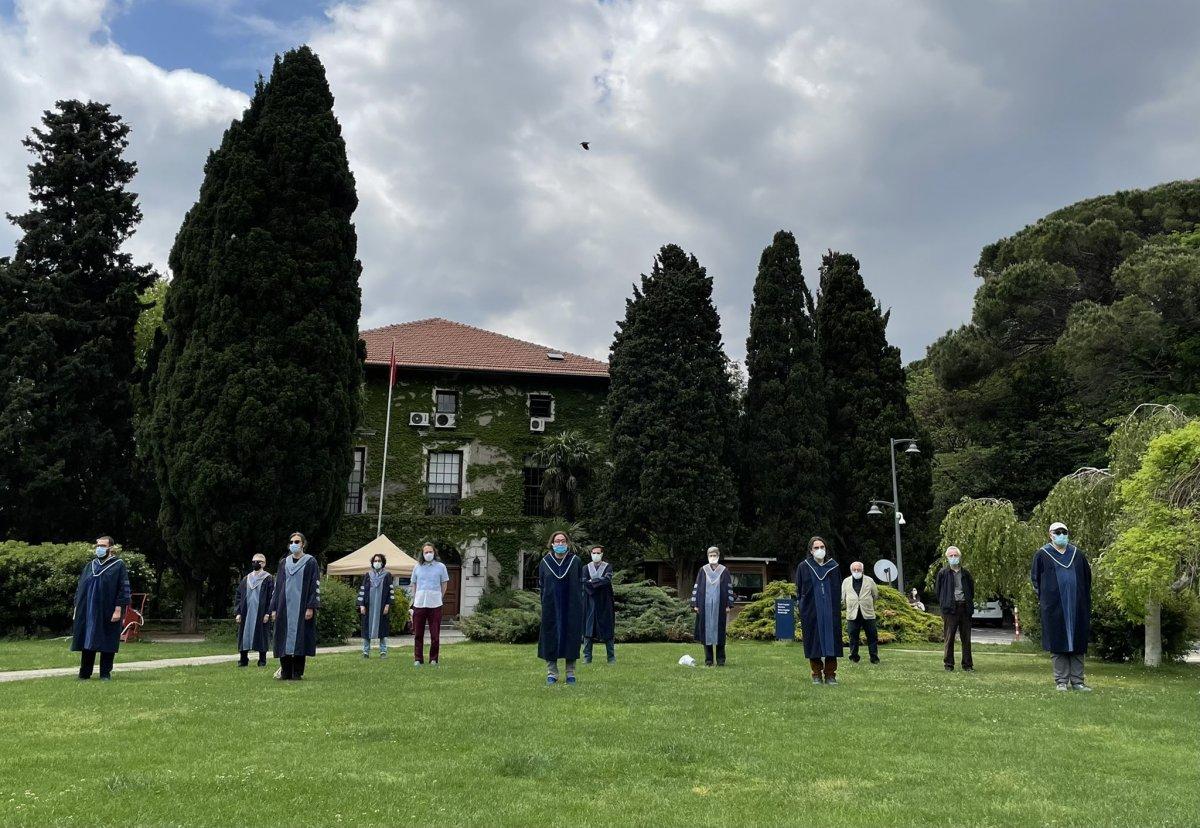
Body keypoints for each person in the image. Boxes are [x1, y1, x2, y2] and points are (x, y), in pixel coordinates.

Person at [1031, 522, 1093, 692]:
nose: (1061, 535)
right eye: (1057, 532)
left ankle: (1078, 681)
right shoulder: (1043, 554)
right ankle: (1061, 681)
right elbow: (1036, 579)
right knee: (1058, 642)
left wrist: (1082, 597)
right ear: (1050, 534)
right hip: (1054, 606)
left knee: (1078, 643)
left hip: (1077, 605)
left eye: (1064, 532)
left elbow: (1087, 578)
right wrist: (1046, 598)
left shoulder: (1077, 554)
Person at [71, 536, 131, 680]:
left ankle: (105, 673)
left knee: (108, 640)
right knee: (87, 639)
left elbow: (123, 588)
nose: (99, 548)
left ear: (111, 548)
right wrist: (77, 607)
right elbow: (81, 587)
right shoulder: (90, 565)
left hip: (108, 609)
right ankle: (85, 673)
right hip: (88, 610)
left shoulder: (118, 565)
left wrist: (118, 609)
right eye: (98, 545)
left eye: (103, 546)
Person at [271, 531, 320, 680]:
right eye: (291, 542)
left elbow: (314, 585)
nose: (294, 544)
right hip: (284, 607)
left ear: (303, 544)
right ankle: (285, 672)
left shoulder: (310, 562)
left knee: (301, 639)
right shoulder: (283, 563)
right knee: (283, 638)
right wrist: (273, 608)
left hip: (302, 608)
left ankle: (297, 672)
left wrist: (311, 606)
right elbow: (278, 586)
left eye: (297, 542)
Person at [538, 531, 584, 684]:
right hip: (551, 606)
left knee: (571, 636)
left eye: (563, 541)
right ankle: (552, 673)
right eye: (557, 541)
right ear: (552, 544)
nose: (560, 543)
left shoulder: (575, 561)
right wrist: (545, 603)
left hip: (571, 606)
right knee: (550, 636)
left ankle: (570, 673)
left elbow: (580, 583)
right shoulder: (545, 562)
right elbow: (542, 585)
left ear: (567, 543)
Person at [796, 537, 843, 684]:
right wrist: (802, 606)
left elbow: (838, 588)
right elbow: (799, 589)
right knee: (813, 641)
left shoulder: (833, 566)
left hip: (830, 610)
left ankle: (830, 675)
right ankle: (816, 674)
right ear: (811, 550)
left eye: (822, 547)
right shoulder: (804, 567)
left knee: (832, 641)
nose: (819, 550)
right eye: (816, 548)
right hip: (811, 610)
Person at [691, 546, 735, 667]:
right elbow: (697, 587)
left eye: (714, 555)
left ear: (718, 556)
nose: (712, 557)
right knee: (706, 633)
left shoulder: (724, 570)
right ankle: (709, 661)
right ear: (707, 556)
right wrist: (695, 604)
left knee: (720, 633)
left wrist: (729, 605)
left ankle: (720, 660)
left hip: (720, 606)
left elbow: (729, 588)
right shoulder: (703, 570)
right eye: (710, 555)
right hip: (704, 606)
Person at [409, 542, 450, 666]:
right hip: (419, 603)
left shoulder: (441, 567)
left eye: (430, 552)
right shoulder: (417, 567)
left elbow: (444, 584)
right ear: (422, 554)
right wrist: (415, 599)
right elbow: (414, 584)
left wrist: (439, 596)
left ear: (434, 552)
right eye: (426, 552)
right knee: (418, 633)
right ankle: (418, 659)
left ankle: (433, 659)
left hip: (435, 603)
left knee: (435, 634)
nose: (428, 554)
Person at [936, 546, 975, 672]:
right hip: (950, 609)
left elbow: (971, 590)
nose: (953, 557)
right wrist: (944, 604)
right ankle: (948, 664)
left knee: (966, 638)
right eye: (951, 556)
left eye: (955, 555)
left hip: (965, 608)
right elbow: (938, 591)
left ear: (959, 556)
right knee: (949, 637)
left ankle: (967, 665)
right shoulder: (943, 573)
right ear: (947, 558)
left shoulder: (966, 573)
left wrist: (967, 602)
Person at [235, 553, 274, 667]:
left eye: (259, 561)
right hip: (246, 612)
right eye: (254, 561)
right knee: (244, 635)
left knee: (262, 635)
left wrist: (268, 613)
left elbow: (272, 597)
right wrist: (238, 612)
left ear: (264, 564)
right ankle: (243, 660)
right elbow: (238, 595)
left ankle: (262, 660)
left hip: (261, 613)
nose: (256, 563)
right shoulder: (246, 578)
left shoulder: (268, 578)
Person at [582, 544, 616, 665]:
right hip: (590, 600)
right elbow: (584, 582)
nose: (595, 555)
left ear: (602, 554)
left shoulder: (607, 567)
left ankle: (611, 658)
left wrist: (592, 582)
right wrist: (597, 584)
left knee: (607, 627)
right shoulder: (586, 568)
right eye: (594, 553)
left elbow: (607, 579)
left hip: (605, 601)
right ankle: (587, 658)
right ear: (591, 554)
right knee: (588, 628)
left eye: (598, 553)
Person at [358, 551, 395, 659]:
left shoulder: (387, 575)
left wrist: (387, 605)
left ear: (383, 563)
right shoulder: (368, 575)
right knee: (366, 629)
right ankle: (366, 652)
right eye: (375, 561)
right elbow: (362, 590)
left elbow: (390, 591)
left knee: (382, 629)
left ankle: (383, 652)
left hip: (381, 607)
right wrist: (361, 605)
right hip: (369, 606)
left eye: (379, 561)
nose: (377, 562)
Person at [841, 560, 880, 664]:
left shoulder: (870, 580)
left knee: (872, 636)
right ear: (851, 570)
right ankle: (854, 657)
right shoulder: (846, 581)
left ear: (862, 570)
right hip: (852, 614)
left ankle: (874, 658)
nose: (856, 571)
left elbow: (875, 595)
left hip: (868, 613)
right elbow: (843, 597)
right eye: (854, 569)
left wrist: (868, 604)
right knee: (853, 636)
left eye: (858, 569)